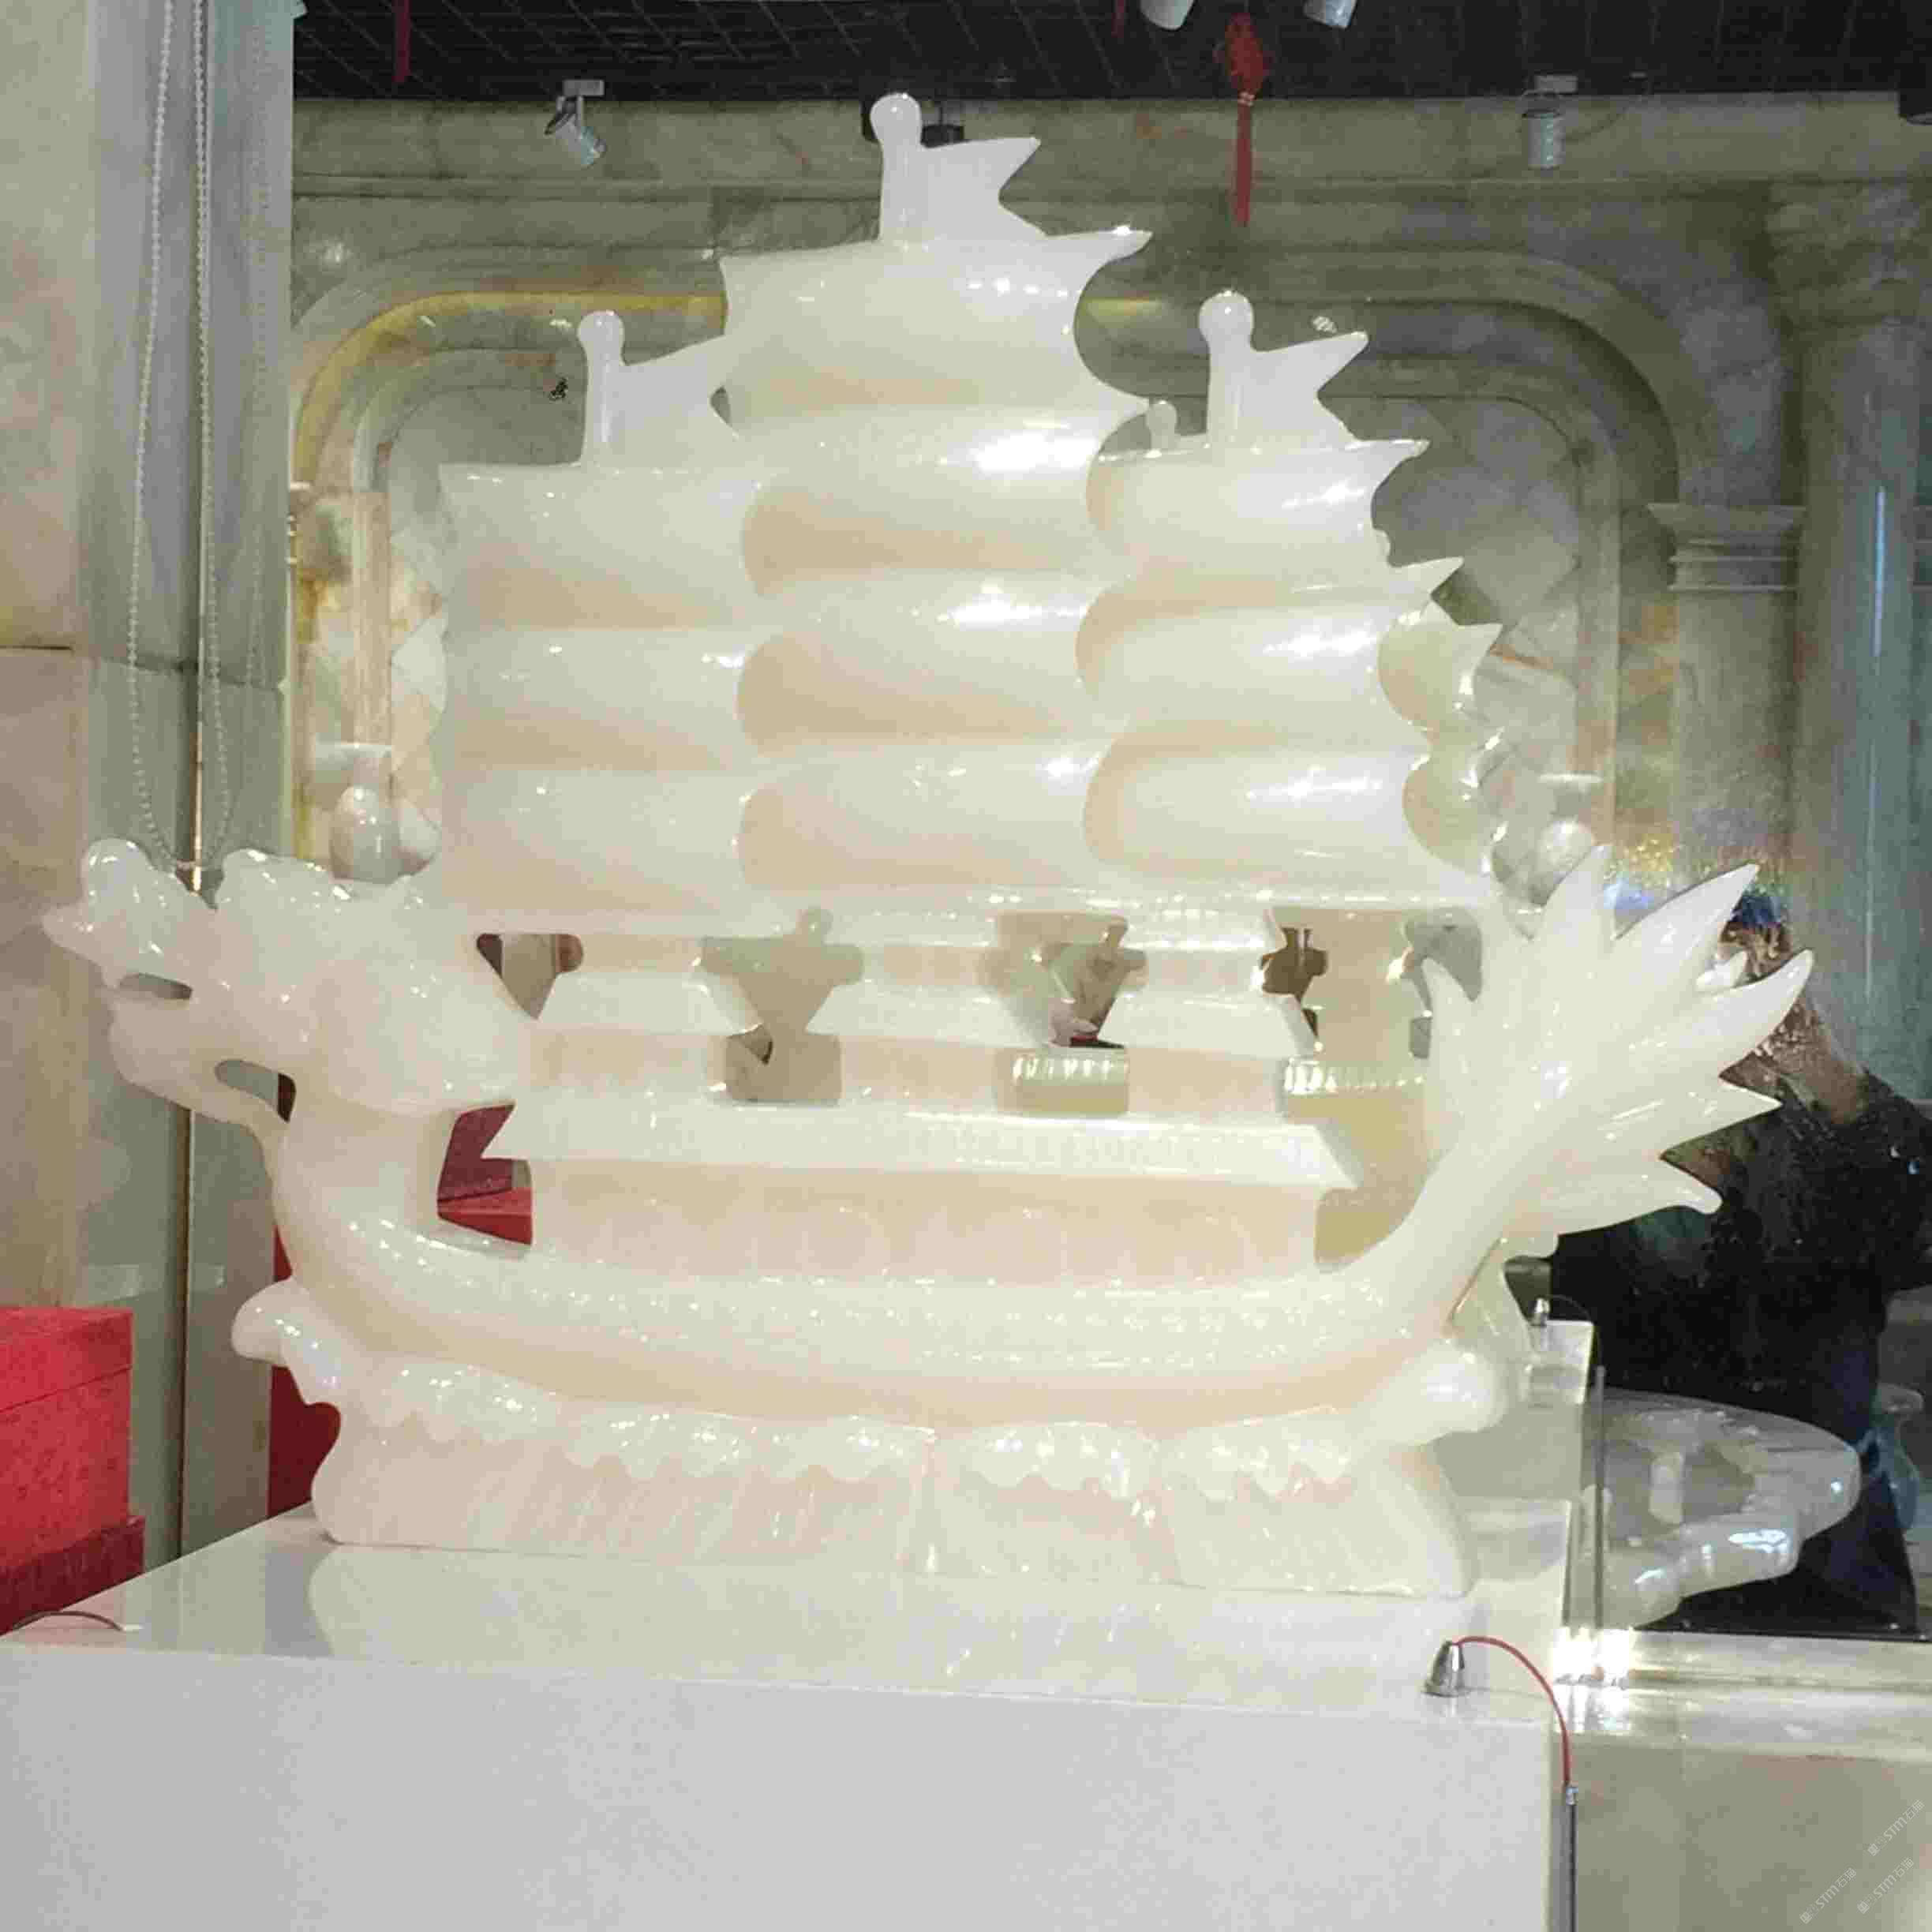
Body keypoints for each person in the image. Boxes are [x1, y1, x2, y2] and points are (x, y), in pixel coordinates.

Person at [1552, 890, 1932, 1634]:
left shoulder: (1832, 1147)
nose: (1740, 1017)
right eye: (1713, 985)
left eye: (1762, 988)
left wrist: (1826, 1070)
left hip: (1833, 1563)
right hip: (1649, 1554)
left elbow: (1918, 1227)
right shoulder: (1599, 1153)